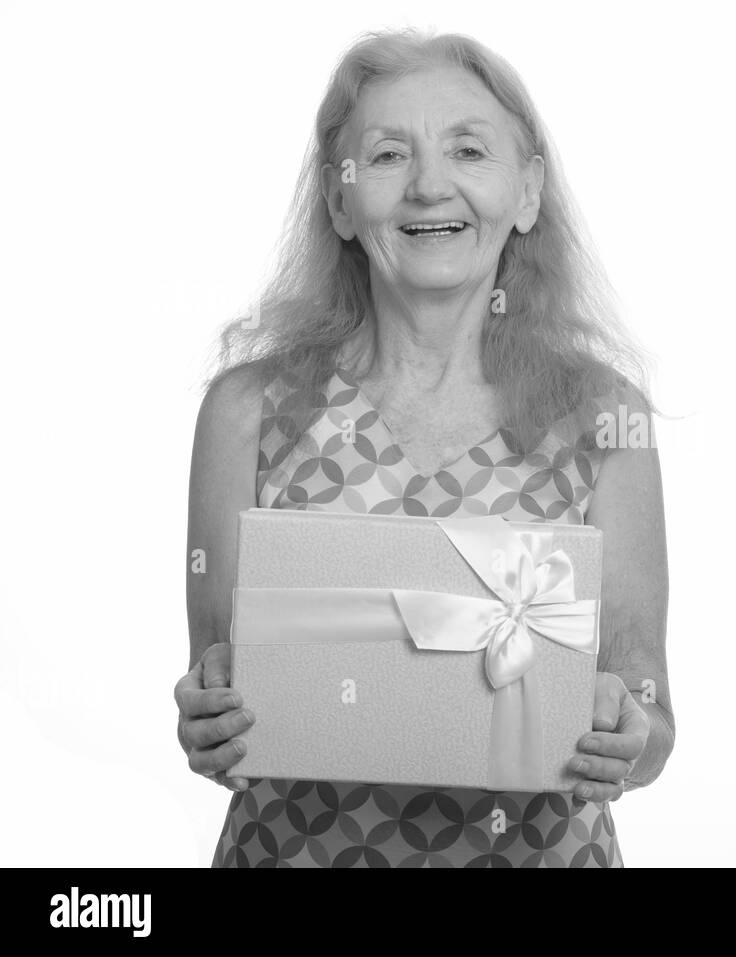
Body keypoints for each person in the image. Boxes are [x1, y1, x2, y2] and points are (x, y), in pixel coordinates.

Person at [174, 28, 673, 867]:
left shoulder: (602, 417)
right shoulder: (248, 411)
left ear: (526, 193)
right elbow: (215, 688)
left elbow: (653, 710)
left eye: (469, 150)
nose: (430, 185)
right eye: (388, 156)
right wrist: (208, 717)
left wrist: (633, 732)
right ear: (340, 201)